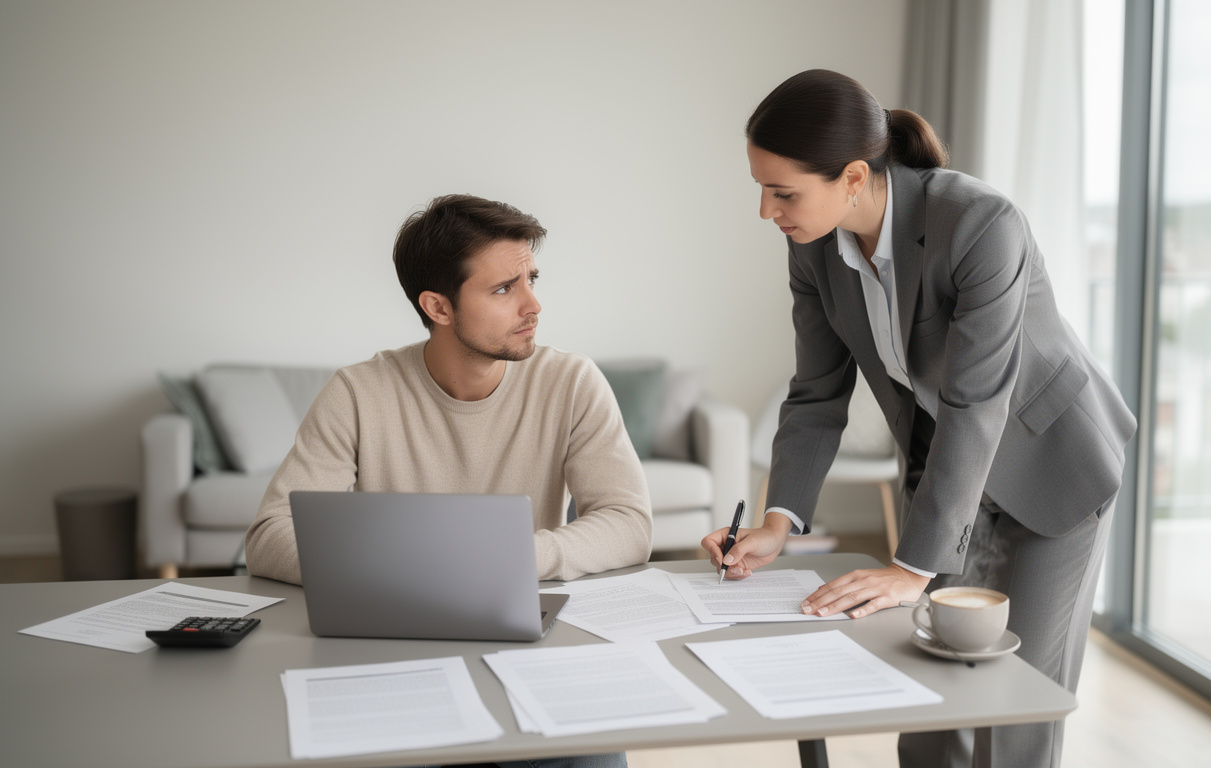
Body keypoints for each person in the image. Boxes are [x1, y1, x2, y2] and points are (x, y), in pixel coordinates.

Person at [703, 69, 1137, 768]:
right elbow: (817, 391)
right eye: (760, 187)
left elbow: (976, 400)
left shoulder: (981, 223)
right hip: (946, 467)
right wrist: (776, 525)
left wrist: (912, 567)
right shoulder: (812, 244)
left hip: (1053, 468)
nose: (766, 211)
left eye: (782, 192)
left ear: (851, 176)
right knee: (932, 706)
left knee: (1012, 705)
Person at [247, 193, 650, 768]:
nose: (534, 304)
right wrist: (428, 568)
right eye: (504, 289)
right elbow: (267, 535)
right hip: (395, 661)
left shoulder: (572, 381)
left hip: (530, 654)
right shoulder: (358, 392)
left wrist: (511, 558)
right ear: (438, 306)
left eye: (532, 278)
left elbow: (628, 523)